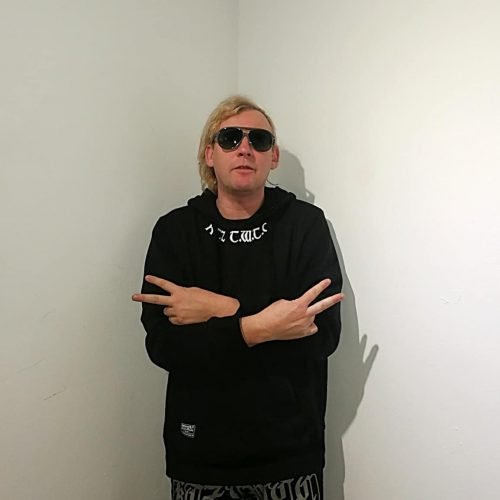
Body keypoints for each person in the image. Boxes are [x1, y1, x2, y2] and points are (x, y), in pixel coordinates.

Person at [132, 95, 344, 500]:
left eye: (259, 139)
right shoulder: (175, 232)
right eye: (230, 138)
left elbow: (322, 338)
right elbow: (165, 347)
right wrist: (264, 326)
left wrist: (223, 309)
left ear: (273, 156)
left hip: (290, 454)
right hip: (200, 456)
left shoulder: (305, 226)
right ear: (209, 154)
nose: (245, 148)